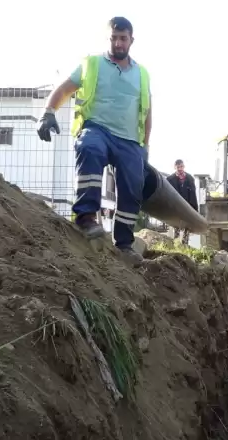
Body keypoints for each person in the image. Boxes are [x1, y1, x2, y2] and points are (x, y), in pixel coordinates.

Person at [36, 16, 152, 266]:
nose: (118, 42)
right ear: (108, 38)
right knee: (89, 147)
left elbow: (148, 110)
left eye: (123, 38)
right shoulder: (92, 64)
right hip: (96, 128)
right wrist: (48, 112)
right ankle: (86, 217)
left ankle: (124, 244)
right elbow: (65, 88)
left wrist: (146, 146)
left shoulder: (142, 74)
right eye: (114, 38)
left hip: (129, 139)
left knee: (134, 183)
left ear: (132, 40)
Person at [166, 159, 198, 244]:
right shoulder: (170, 179)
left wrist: (195, 209)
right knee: (175, 225)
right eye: (178, 167)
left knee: (187, 225)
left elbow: (193, 194)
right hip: (175, 206)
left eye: (181, 167)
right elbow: (167, 195)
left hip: (187, 205)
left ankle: (185, 243)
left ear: (184, 167)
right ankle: (175, 243)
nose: (180, 169)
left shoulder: (190, 178)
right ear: (175, 167)